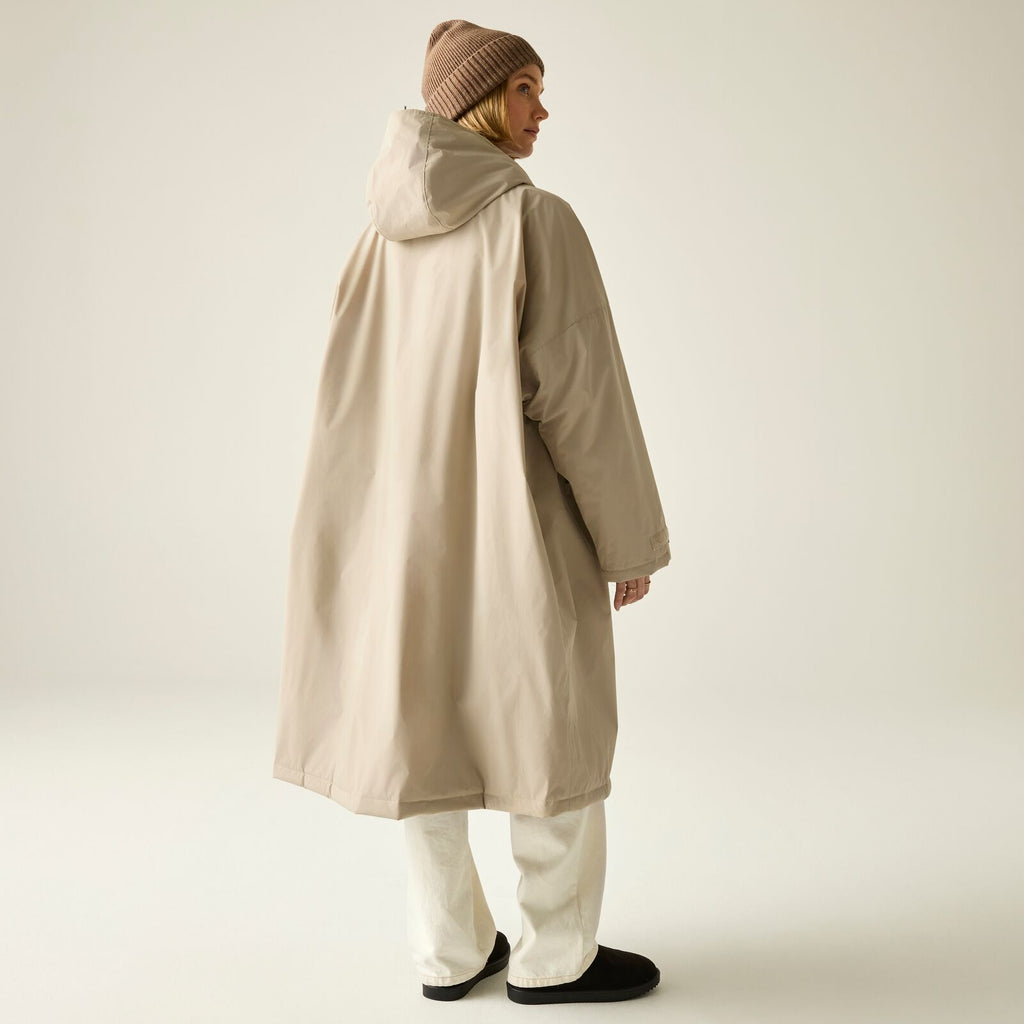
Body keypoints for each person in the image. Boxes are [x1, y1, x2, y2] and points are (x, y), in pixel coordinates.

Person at [273, 18, 671, 1005]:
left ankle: (450, 952)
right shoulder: (535, 222)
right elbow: (583, 400)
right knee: (553, 727)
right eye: (526, 88)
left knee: (421, 730)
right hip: (515, 521)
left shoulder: (378, 235)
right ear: (479, 102)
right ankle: (556, 957)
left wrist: (350, 537)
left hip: (399, 531)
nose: (544, 110)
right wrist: (627, 540)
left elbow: (349, 396)